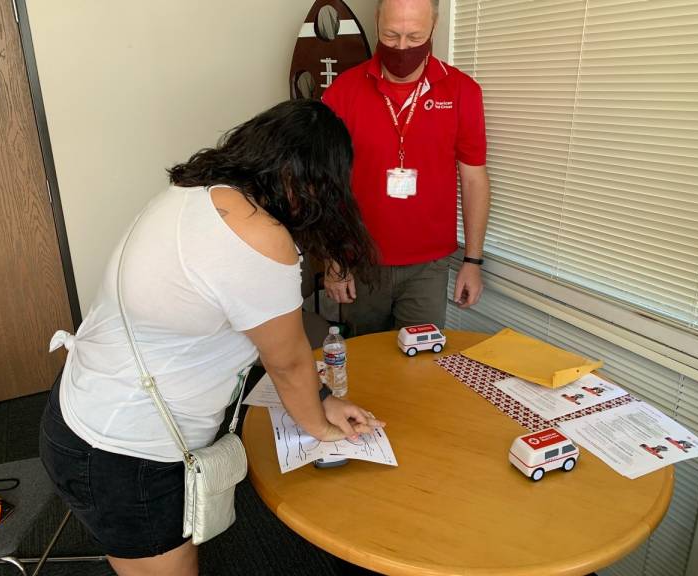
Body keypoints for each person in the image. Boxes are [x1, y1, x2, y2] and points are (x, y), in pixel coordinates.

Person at [39, 99, 383, 576]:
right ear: (311, 182)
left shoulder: (193, 192)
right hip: (125, 454)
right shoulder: (260, 235)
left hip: (82, 413)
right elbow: (287, 363)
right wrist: (321, 428)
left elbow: (247, 329)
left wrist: (320, 397)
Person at [322, 0, 491, 336]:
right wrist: (333, 259)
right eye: (391, 35)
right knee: (366, 366)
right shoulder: (343, 91)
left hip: (428, 266)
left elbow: (474, 180)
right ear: (376, 22)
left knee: (421, 367)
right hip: (360, 260)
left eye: (415, 37)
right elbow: (325, 181)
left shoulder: (462, 91)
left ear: (435, 25)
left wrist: (472, 262)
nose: (402, 47)